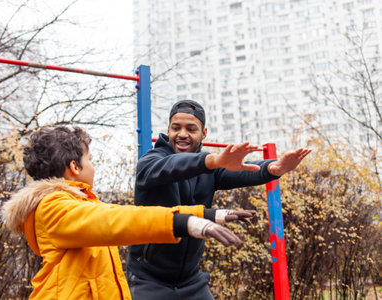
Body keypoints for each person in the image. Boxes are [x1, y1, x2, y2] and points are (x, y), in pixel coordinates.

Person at [1, 125, 255, 300]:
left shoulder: (75, 205)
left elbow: (128, 214)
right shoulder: (53, 207)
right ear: (74, 167)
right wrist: (183, 223)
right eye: (90, 160)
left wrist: (207, 215)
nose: (93, 166)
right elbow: (118, 221)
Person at [126, 100, 311, 299]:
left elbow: (241, 171)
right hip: (148, 280)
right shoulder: (152, 162)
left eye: (191, 129)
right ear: (168, 130)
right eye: (176, 128)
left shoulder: (209, 171)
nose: (182, 134)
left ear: (203, 133)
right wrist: (211, 161)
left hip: (191, 279)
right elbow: (172, 166)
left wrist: (273, 169)